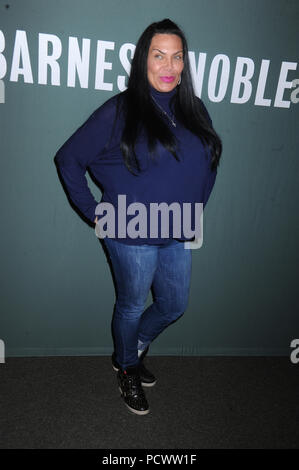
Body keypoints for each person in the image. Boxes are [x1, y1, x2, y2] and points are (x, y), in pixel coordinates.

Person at [54, 19, 222, 416]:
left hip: (178, 229)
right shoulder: (120, 110)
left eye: (177, 57)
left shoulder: (194, 108)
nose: (169, 66)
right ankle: (128, 367)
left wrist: (196, 210)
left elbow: (207, 163)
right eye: (158, 55)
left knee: (174, 304)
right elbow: (68, 159)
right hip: (129, 232)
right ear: (142, 60)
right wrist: (96, 215)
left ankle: (132, 349)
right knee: (131, 305)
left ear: (185, 62)